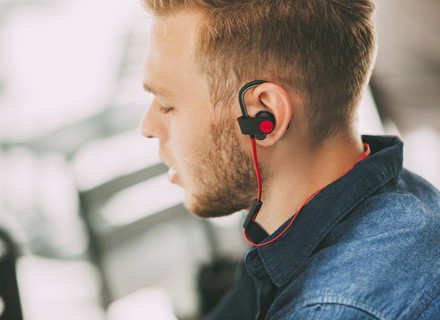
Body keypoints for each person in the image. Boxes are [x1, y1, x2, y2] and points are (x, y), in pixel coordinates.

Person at [139, 0, 440, 319]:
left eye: (167, 104)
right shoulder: (395, 193)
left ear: (263, 116)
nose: (148, 128)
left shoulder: (330, 309)